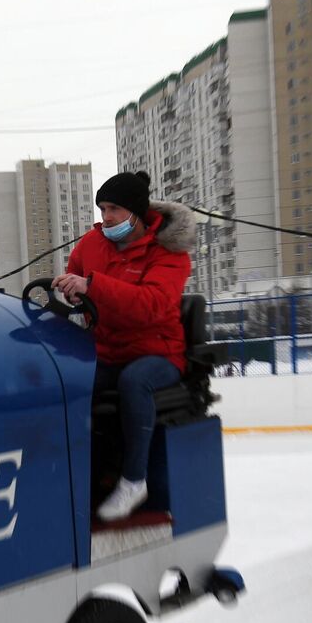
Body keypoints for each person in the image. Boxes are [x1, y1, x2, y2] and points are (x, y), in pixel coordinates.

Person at [53, 170, 196, 521]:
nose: (107, 217)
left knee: (135, 381)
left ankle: (134, 480)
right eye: (103, 209)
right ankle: (77, 476)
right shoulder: (91, 245)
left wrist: (91, 286)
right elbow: (79, 284)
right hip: (106, 350)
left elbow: (152, 305)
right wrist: (68, 290)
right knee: (66, 382)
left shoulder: (168, 253)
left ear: (134, 211)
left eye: (114, 208)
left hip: (158, 351)